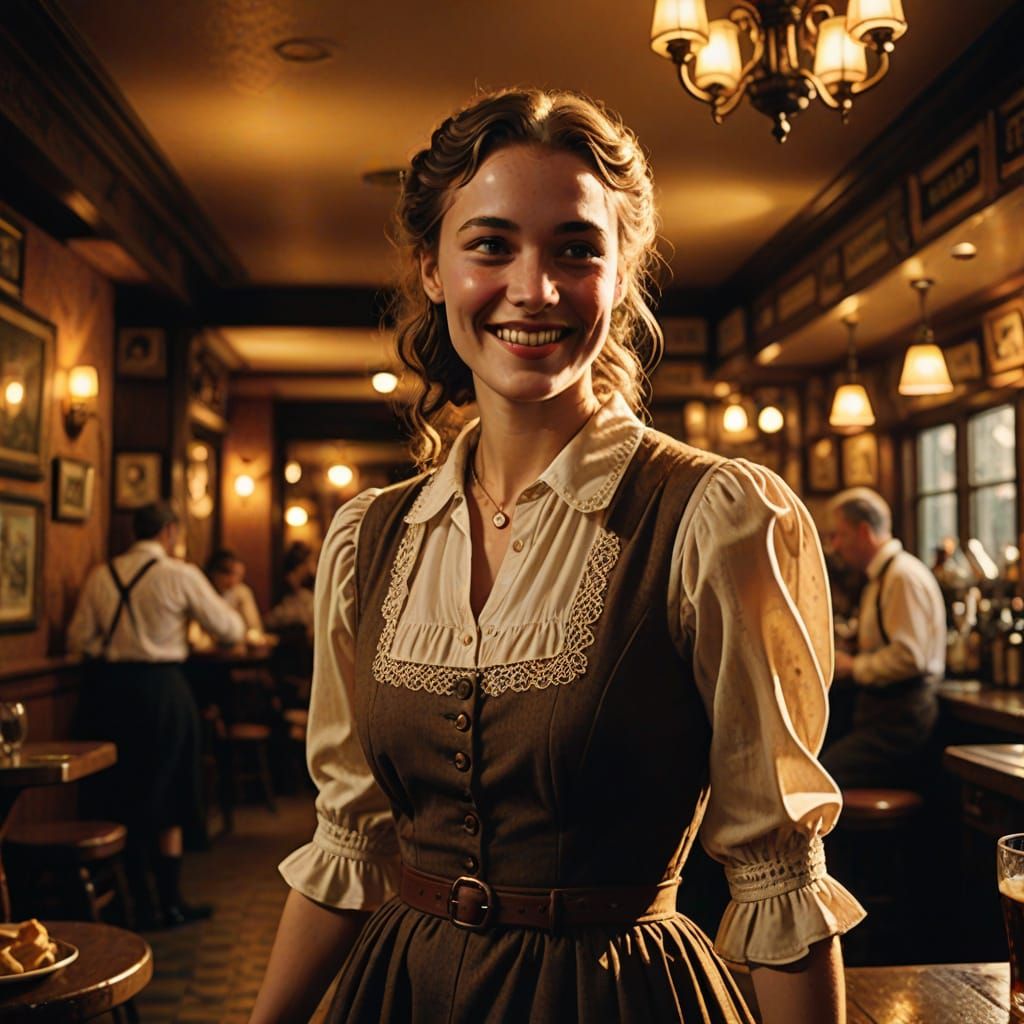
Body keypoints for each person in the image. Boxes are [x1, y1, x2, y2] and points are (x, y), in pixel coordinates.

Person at [251, 89, 862, 1024]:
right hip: (402, 992)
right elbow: (348, 846)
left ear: (620, 275)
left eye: (576, 250)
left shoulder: (713, 518)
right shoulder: (367, 539)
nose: (534, 288)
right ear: (432, 269)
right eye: (490, 245)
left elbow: (778, 876)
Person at [68, 501, 245, 927]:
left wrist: (118, 646)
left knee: (124, 793)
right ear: (169, 532)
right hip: (163, 690)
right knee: (171, 792)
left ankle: (136, 902)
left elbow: (79, 640)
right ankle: (169, 902)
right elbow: (231, 629)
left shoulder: (102, 575)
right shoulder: (178, 574)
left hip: (110, 693)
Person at [821, 487, 946, 789]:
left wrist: (853, 666)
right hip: (885, 715)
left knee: (820, 781)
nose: (834, 546)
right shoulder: (883, 576)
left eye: (839, 535)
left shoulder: (902, 576)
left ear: (864, 532)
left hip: (902, 722)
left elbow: (910, 657)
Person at [263, 541, 316, 642]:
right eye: (310, 561)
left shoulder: (308, 584)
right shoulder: (284, 585)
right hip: (287, 638)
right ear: (301, 564)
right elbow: (272, 619)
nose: (313, 567)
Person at [205, 547, 263, 638]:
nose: (233, 581)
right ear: (213, 573)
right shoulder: (204, 591)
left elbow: (255, 629)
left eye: (238, 576)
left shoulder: (241, 593)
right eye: (227, 574)